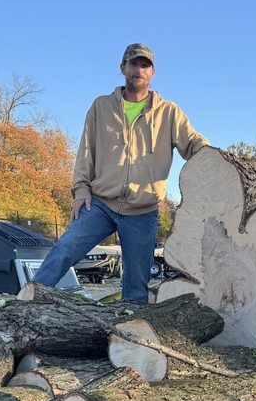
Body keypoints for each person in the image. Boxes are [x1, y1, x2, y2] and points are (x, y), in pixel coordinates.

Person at [33, 43, 208, 302]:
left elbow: (193, 143)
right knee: (63, 250)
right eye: (133, 63)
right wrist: (80, 189)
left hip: (143, 210)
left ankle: (127, 336)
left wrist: (217, 159)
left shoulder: (169, 112)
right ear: (123, 68)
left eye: (144, 64)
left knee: (137, 287)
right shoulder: (100, 107)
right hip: (100, 203)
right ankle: (27, 302)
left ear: (152, 72)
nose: (139, 69)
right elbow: (85, 152)